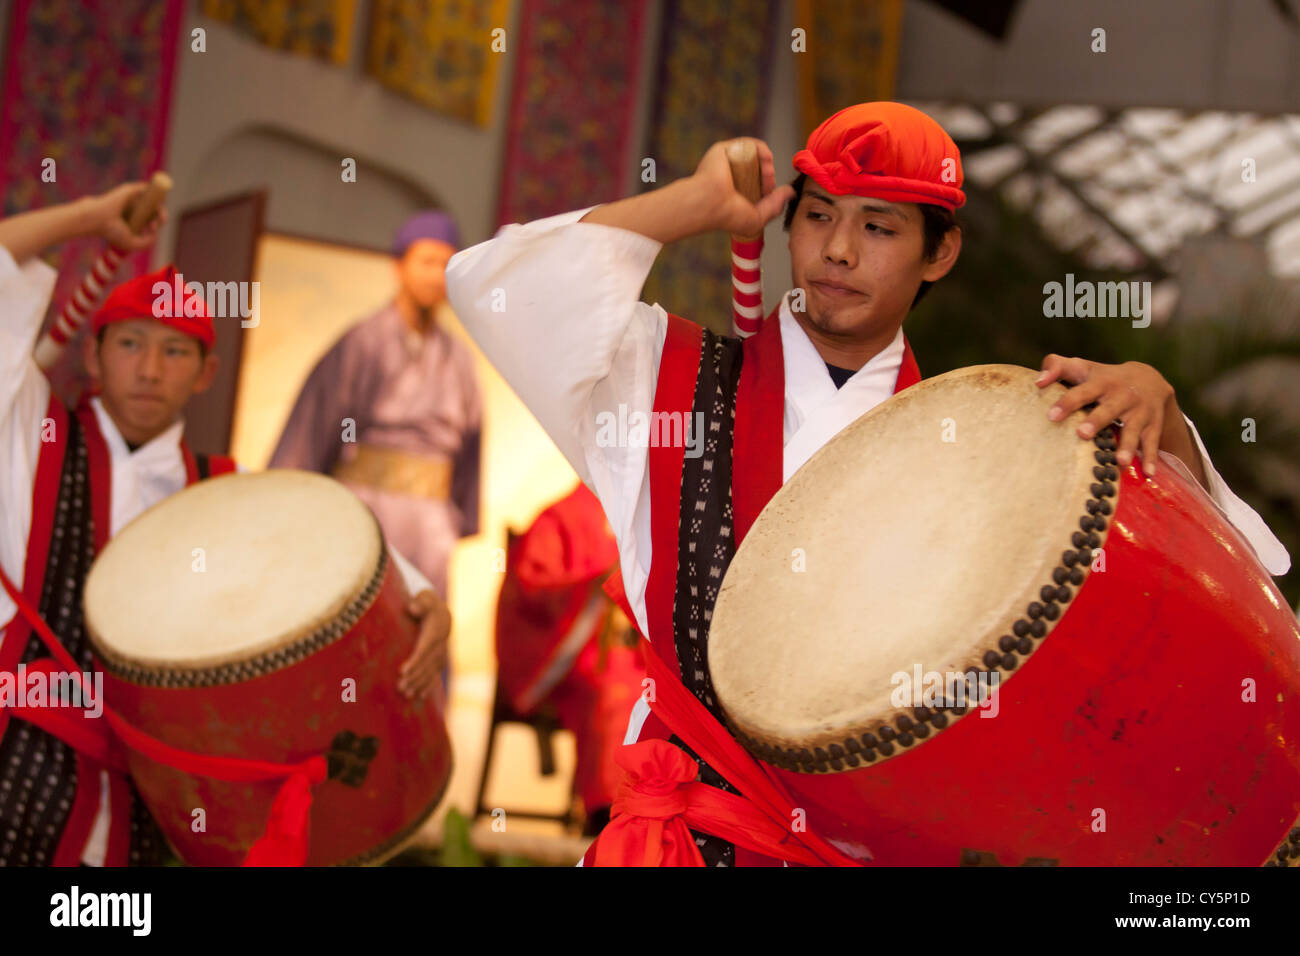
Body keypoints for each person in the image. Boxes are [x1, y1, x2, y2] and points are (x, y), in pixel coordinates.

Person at [445, 102, 1290, 866]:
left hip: (891, 845)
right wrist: (694, 206)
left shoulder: (980, 442)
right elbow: (491, 288)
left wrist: (1164, 420)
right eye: (818, 218)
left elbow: (1213, 585)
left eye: (879, 227)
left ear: (941, 251)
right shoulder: (660, 383)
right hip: (690, 836)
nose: (838, 251)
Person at [0, 184, 450, 867]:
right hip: (18, 766)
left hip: (154, 797)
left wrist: (426, 610)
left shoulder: (231, 495)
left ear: (207, 372)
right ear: (93, 356)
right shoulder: (28, 439)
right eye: (130, 344)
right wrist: (91, 219)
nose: (150, 369)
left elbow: (356, 565)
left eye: (176, 352)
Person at [269, 211, 482, 605]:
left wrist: (457, 518)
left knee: (423, 625)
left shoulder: (460, 359)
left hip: (431, 523)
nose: (436, 276)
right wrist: (294, 500)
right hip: (363, 508)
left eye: (446, 265)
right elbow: (315, 422)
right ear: (398, 266)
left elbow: (470, 448)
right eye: (426, 262)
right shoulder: (363, 341)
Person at [493, 482, 645, 834]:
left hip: (635, 654)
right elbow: (532, 589)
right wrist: (594, 588)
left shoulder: (648, 511)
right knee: (617, 693)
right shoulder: (562, 517)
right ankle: (609, 817)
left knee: (665, 694)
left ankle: (659, 819)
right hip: (572, 661)